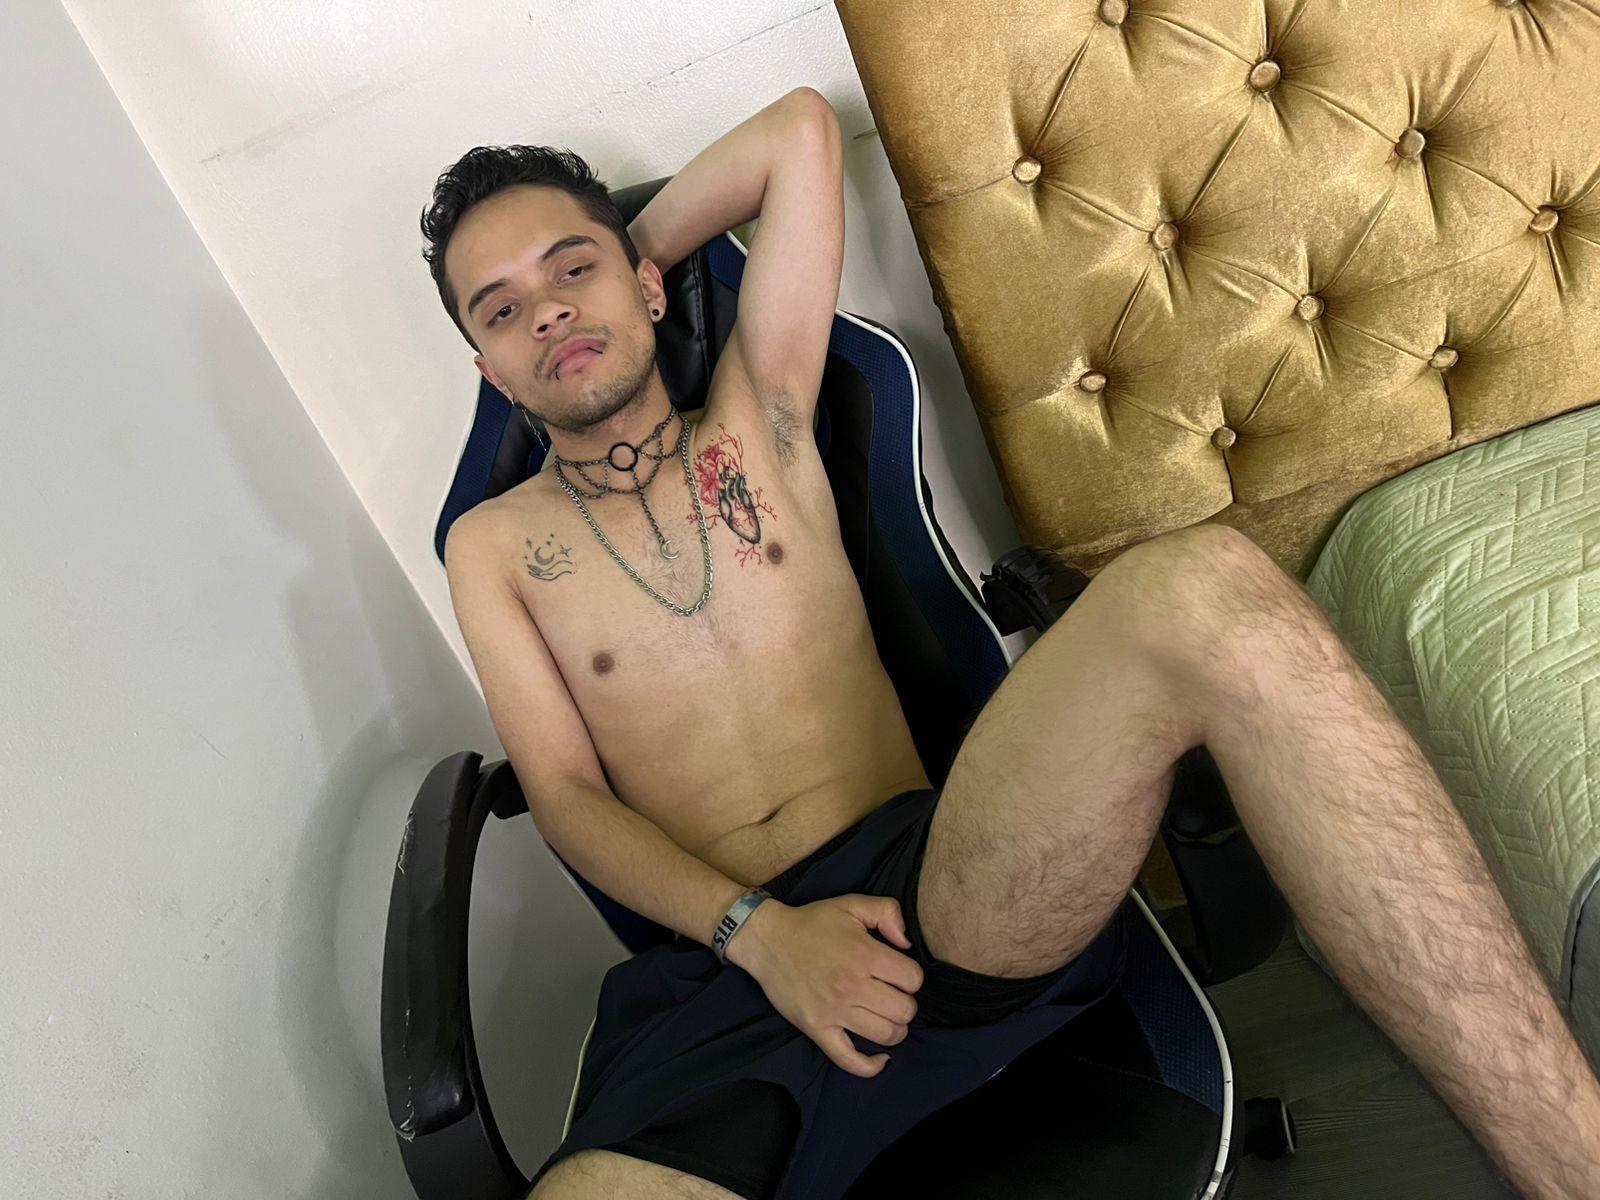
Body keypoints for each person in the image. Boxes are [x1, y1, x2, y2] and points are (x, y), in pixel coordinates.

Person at [421, 86, 1600, 1200]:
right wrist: (761, 936)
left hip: (939, 889)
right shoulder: (491, 546)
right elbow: (566, 799)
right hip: (720, 983)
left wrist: (620, 270)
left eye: (570, 269)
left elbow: (798, 134)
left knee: (1203, 587)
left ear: (649, 282)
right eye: (503, 311)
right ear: (484, 368)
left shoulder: (757, 417)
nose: (549, 312)